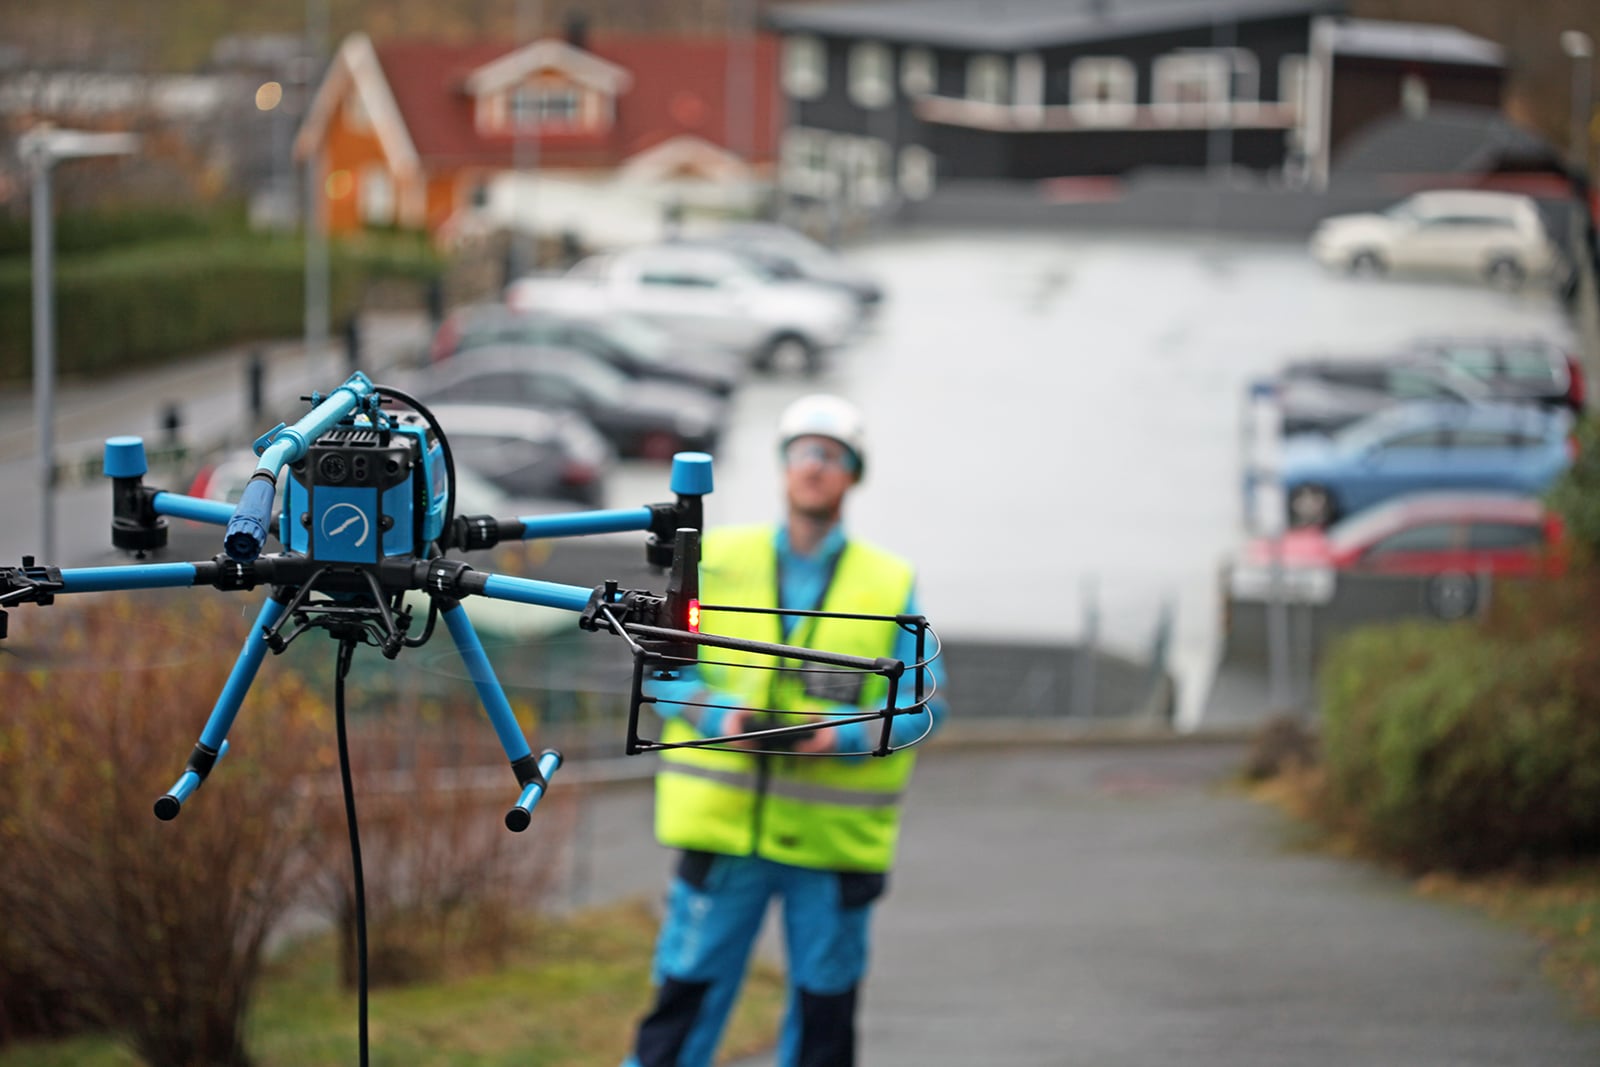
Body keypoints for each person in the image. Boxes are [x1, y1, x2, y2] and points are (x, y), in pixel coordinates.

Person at [622, 394, 947, 1067]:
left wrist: (843, 734)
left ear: (853, 475)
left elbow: (924, 704)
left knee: (824, 1021)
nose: (815, 466)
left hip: (829, 847)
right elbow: (662, 672)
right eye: (804, 453)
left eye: (832, 456)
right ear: (783, 466)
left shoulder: (888, 582)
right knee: (681, 1006)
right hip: (724, 835)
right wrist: (724, 718)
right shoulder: (717, 559)